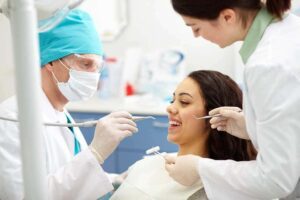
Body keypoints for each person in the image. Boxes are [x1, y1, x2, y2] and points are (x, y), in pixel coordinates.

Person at [165, 0, 300, 199]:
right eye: (172, 100)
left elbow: (276, 181)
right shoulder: (288, 32)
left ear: (228, 16)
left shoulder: (268, 64)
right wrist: (253, 128)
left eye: (196, 27)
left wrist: (200, 168)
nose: (195, 35)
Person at [0, 10, 137, 199]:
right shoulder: (12, 119)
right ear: (51, 61)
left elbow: (66, 174)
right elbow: (26, 196)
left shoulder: (59, 112)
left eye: (98, 67)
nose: (93, 77)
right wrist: (95, 153)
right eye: (86, 64)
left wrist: (116, 181)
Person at [110, 70, 256, 200]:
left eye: (184, 102)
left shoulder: (213, 189)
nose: (170, 108)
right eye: (172, 100)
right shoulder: (148, 163)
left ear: (216, 115)